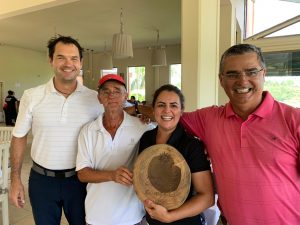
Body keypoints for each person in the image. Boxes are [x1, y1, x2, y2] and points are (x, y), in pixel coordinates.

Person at [180, 44, 300, 225]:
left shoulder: (294, 120)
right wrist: (130, 109)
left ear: (264, 74)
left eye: (251, 72)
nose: (242, 81)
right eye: (232, 74)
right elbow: (168, 116)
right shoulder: (209, 119)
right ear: (221, 80)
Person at [9, 35, 103, 225]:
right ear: (51, 60)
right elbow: (18, 137)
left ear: (81, 63)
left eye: (74, 58)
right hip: (42, 181)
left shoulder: (95, 99)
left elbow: (118, 115)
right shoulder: (32, 96)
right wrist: (15, 180)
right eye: (61, 57)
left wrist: (139, 112)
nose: (68, 64)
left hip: (80, 181)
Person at [76, 74, 154, 225]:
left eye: (117, 91)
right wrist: (112, 175)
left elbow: (165, 121)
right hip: (97, 216)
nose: (111, 95)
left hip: (133, 216)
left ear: (125, 96)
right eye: (106, 91)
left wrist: (139, 109)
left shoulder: (142, 126)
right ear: (99, 98)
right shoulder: (88, 131)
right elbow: (82, 174)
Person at [138, 84, 214, 225]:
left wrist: (169, 217)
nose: (167, 110)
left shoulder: (192, 145)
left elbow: (207, 198)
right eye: (161, 105)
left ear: (181, 111)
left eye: (173, 105)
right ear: (153, 109)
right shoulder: (146, 138)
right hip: (152, 220)